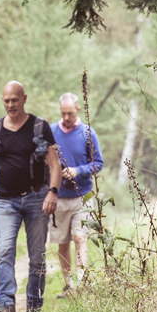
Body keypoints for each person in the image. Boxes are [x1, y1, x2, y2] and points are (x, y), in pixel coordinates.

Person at [0, 81, 60, 312]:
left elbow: (54, 164)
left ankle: (34, 308)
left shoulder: (39, 127)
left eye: (15, 99)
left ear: (24, 99)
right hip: (5, 200)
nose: (10, 104)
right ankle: (6, 306)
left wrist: (53, 192)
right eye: (6, 100)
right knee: (4, 250)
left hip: (38, 198)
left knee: (37, 256)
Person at [50, 93, 104, 295]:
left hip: (82, 195)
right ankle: (69, 285)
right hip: (59, 196)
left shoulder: (87, 133)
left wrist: (77, 170)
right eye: (63, 113)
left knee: (80, 238)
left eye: (70, 113)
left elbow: (98, 163)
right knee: (62, 243)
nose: (66, 117)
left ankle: (81, 282)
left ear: (78, 110)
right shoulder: (53, 131)